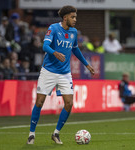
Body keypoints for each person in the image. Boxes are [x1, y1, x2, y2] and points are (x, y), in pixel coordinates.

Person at [27, 5, 95, 145]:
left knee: (69, 104)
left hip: (65, 73)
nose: (75, 20)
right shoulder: (53, 28)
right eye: (72, 17)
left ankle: (56, 133)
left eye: (75, 17)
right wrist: (55, 52)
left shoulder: (74, 32)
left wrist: (86, 64)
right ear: (65, 18)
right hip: (48, 71)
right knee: (39, 102)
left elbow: (75, 50)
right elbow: (45, 46)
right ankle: (31, 134)